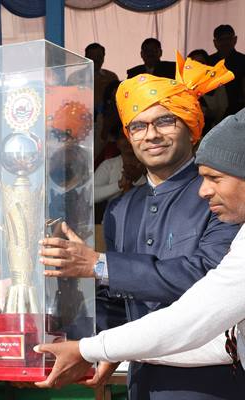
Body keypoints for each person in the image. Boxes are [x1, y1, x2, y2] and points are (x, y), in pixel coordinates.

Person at [38, 53, 244, 399]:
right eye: (138, 126)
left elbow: (210, 280)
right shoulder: (120, 208)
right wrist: (100, 343)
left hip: (214, 381)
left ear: (192, 127)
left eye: (165, 121)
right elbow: (115, 299)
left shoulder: (225, 196)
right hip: (141, 381)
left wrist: (99, 265)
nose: (152, 135)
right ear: (127, 136)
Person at [93, 133, 145, 204]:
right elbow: (92, 195)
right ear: (117, 143)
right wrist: (120, 184)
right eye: (123, 136)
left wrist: (139, 178)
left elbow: (157, 195)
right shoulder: (108, 165)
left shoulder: (151, 164)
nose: (128, 140)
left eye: (132, 135)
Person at [209, 24, 245, 116]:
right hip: (213, 113)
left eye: (228, 39)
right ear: (215, 42)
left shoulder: (243, 61)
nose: (225, 43)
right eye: (221, 40)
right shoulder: (208, 62)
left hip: (239, 111)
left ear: (235, 39)